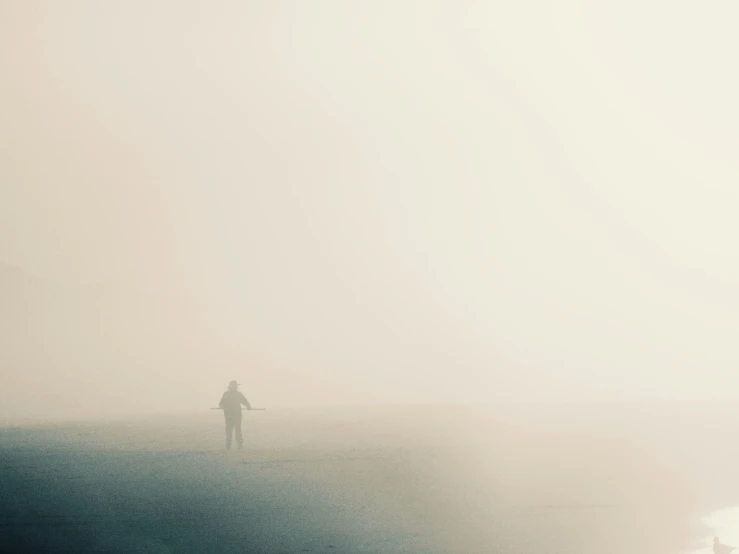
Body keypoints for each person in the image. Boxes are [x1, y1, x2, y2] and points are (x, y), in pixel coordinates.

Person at [219, 380, 252, 450]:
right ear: (230, 386)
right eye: (234, 386)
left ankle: (240, 446)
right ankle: (228, 446)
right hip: (229, 416)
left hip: (237, 415)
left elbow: (244, 400)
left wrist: (248, 406)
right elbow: (221, 404)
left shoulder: (238, 394)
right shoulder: (226, 394)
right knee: (229, 431)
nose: (236, 387)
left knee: (238, 430)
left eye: (236, 386)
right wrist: (224, 407)